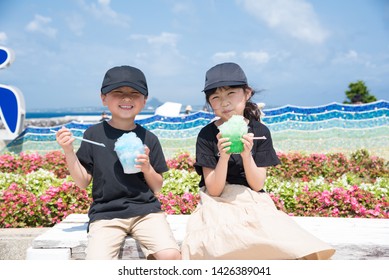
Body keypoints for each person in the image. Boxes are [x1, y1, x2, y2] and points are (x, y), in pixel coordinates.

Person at [181, 62, 335, 260]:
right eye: (216, 98)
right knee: (218, 239)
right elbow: (214, 190)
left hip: (252, 197)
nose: (224, 103)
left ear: (247, 94)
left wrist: (246, 154)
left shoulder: (260, 131)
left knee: (279, 237)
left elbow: (257, 184)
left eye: (230, 94)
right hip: (218, 200)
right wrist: (224, 156)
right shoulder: (207, 135)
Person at [54, 65, 181, 260]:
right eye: (118, 92)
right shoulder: (93, 135)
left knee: (170, 255)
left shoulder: (149, 138)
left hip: (146, 212)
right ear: (104, 98)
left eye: (134, 93)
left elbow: (157, 187)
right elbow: (82, 182)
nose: (127, 98)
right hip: (106, 215)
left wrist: (146, 167)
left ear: (144, 100)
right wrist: (68, 151)